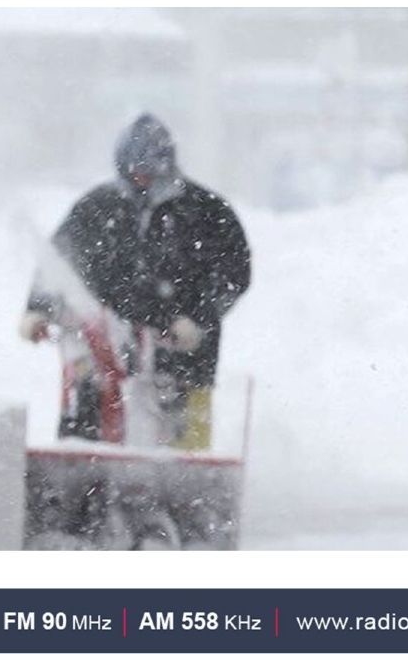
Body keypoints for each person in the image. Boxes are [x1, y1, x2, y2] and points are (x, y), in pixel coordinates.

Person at [20, 113, 251, 450]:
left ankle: (183, 493)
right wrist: (39, 309)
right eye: (133, 172)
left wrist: (197, 319)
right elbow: (59, 262)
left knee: (184, 449)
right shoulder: (97, 207)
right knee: (87, 425)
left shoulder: (206, 212)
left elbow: (234, 275)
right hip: (106, 348)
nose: (140, 180)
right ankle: (84, 481)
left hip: (185, 357)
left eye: (148, 171)